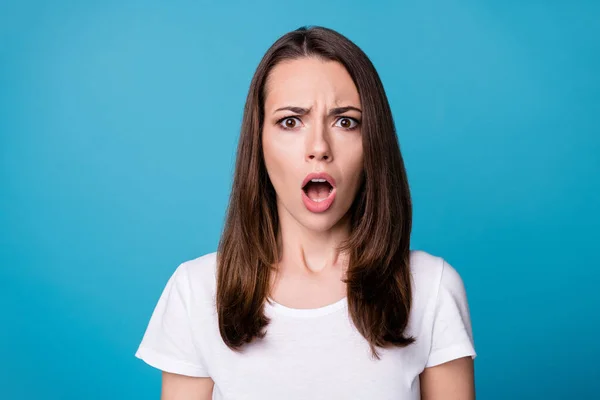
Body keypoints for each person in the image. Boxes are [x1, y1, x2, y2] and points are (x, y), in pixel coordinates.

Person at [135, 25, 477, 399]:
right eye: (290, 121)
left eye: (345, 121)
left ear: (372, 143)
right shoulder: (196, 291)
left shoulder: (430, 288)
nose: (318, 147)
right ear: (259, 143)